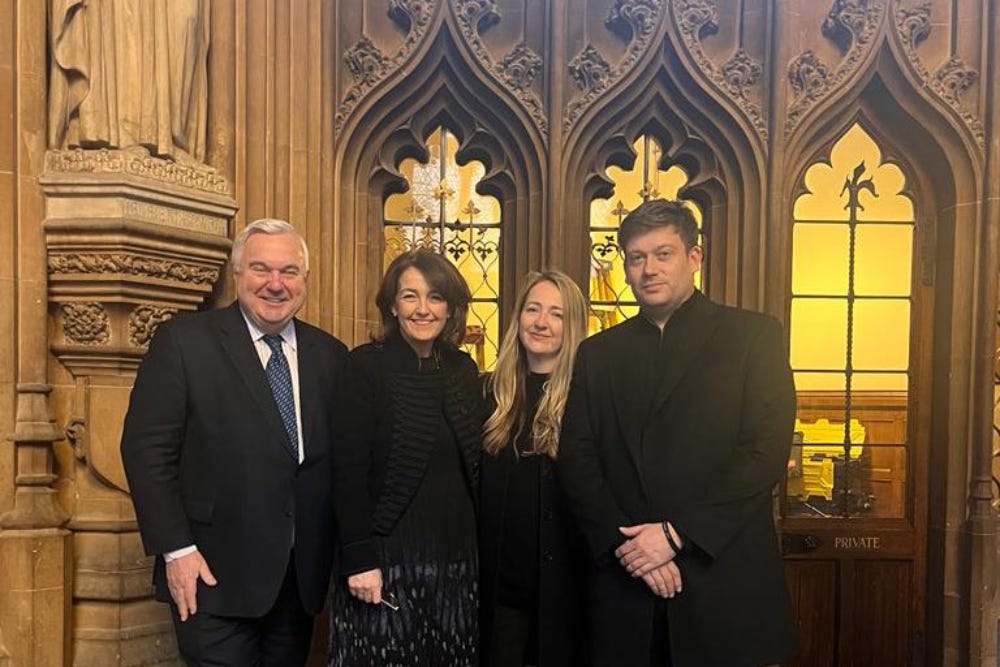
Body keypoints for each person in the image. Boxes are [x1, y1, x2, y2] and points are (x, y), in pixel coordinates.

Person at [557, 199, 799, 666]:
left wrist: (675, 535)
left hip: (722, 580)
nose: (649, 268)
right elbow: (577, 458)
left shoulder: (754, 337)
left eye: (663, 253)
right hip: (626, 584)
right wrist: (629, 547)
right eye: (636, 257)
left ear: (694, 257)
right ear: (625, 268)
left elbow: (765, 453)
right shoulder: (598, 353)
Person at [120, 219, 348, 665]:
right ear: (237, 273)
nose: (275, 284)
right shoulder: (185, 342)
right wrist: (177, 550)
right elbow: (146, 450)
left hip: (296, 584)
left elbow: (337, 464)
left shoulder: (331, 355)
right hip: (210, 577)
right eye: (261, 269)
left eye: (289, 271)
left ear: (304, 280)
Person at [328, 249, 483, 666]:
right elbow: (347, 473)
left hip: (456, 565)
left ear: (449, 308)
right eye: (409, 296)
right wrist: (358, 559)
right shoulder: (363, 368)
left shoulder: (463, 371)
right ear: (392, 305)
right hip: (384, 564)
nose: (423, 309)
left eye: (434, 297)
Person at [479, 270, 591, 667]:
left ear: (573, 325)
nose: (541, 322)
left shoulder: (589, 398)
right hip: (501, 594)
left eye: (556, 314)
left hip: (571, 594)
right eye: (533, 309)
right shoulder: (487, 394)